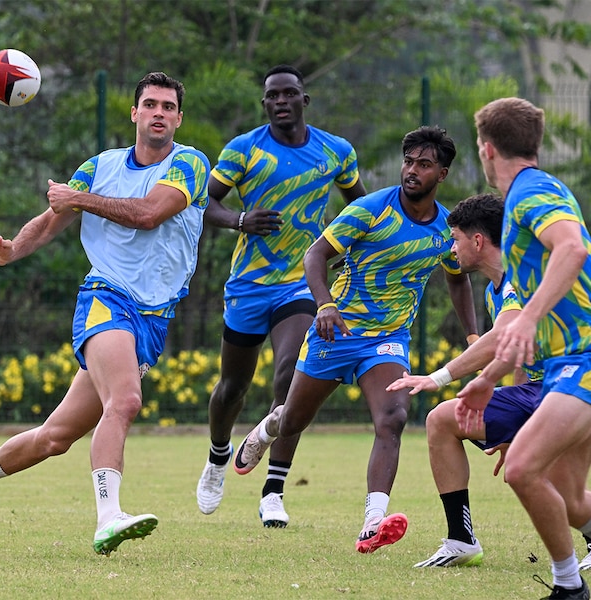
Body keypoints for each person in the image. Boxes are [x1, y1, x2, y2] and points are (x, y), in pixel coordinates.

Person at [0, 72, 210, 555]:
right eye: (150, 104)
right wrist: (12, 248)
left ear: (179, 119)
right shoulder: (100, 165)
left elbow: (148, 214)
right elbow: (52, 219)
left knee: (54, 438)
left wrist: (78, 198)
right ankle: (108, 517)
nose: (159, 112)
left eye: (168, 106)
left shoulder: (190, 164)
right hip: (106, 297)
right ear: (134, 113)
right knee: (125, 402)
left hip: (153, 317)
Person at [233, 125, 479, 554]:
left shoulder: (446, 228)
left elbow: (457, 280)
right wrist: (325, 305)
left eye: (424, 164)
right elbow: (315, 255)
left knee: (394, 417)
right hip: (337, 331)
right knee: (294, 420)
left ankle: (373, 519)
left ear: (442, 173)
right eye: (408, 162)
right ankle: (271, 424)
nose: (412, 171)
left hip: (387, 339)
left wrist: (474, 334)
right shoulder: (369, 210)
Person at [196, 64, 367, 528]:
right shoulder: (243, 150)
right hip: (248, 285)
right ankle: (217, 459)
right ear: (265, 104)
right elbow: (204, 203)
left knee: (291, 374)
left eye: (290, 93)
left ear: (304, 100)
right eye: (273, 96)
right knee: (233, 387)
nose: (282, 101)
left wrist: (338, 254)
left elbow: (361, 209)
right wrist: (239, 219)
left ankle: (274, 489)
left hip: (301, 283)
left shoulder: (336, 151)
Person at [389, 193, 591, 572]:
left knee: (564, 488)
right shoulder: (491, 290)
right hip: (536, 391)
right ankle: (461, 540)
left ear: (477, 241)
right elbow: (517, 353)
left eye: (455, 239)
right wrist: (510, 422)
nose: (452, 249)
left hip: (574, 384)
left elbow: (502, 337)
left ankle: (572, 570)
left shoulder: (519, 279)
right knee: (441, 421)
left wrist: (439, 376)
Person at [455, 97, 591, 599]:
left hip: (586, 360)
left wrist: (530, 315)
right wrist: (485, 380)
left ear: (487, 150)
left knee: (522, 467)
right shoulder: (521, 201)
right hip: (561, 364)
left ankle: (569, 587)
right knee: (572, 502)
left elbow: (573, 247)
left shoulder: (533, 192)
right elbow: (521, 326)